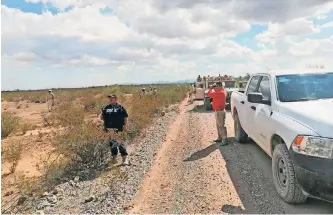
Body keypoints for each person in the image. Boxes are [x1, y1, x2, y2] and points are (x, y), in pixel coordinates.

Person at [99, 94, 129, 165]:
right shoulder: (106, 108)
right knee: (112, 144)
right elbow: (102, 117)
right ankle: (114, 159)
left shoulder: (120, 107)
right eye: (109, 98)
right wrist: (101, 116)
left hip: (119, 129)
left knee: (120, 143)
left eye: (112, 98)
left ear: (116, 99)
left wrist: (125, 126)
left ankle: (124, 159)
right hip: (109, 129)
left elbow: (125, 117)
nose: (110, 100)